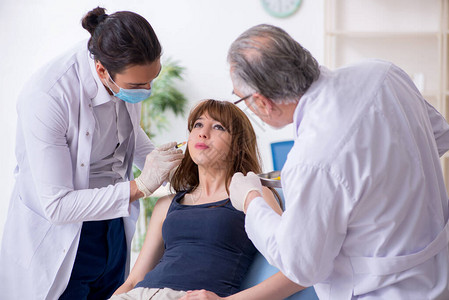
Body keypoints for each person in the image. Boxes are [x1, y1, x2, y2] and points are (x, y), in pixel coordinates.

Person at [227, 24, 449, 299]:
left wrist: (250, 200)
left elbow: (302, 267)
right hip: (438, 276)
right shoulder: (383, 73)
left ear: (261, 102)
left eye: (241, 99)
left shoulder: (312, 161)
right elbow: (438, 136)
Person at [0, 7, 184, 299]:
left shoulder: (124, 77)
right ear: (102, 71)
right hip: (61, 235)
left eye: (153, 79)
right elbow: (58, 206)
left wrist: (171, 166)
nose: (147, 90)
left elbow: (128, 134)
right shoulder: (48, 96)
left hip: (111, 226)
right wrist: (142, 185)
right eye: (137, 85)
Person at [109, 99, 304, 300]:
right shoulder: (166, 205)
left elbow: (297, 272)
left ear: (238, 145)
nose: (203, 133)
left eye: (218, 127)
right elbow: (133, 280)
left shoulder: (252, 193)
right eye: (198, 125)